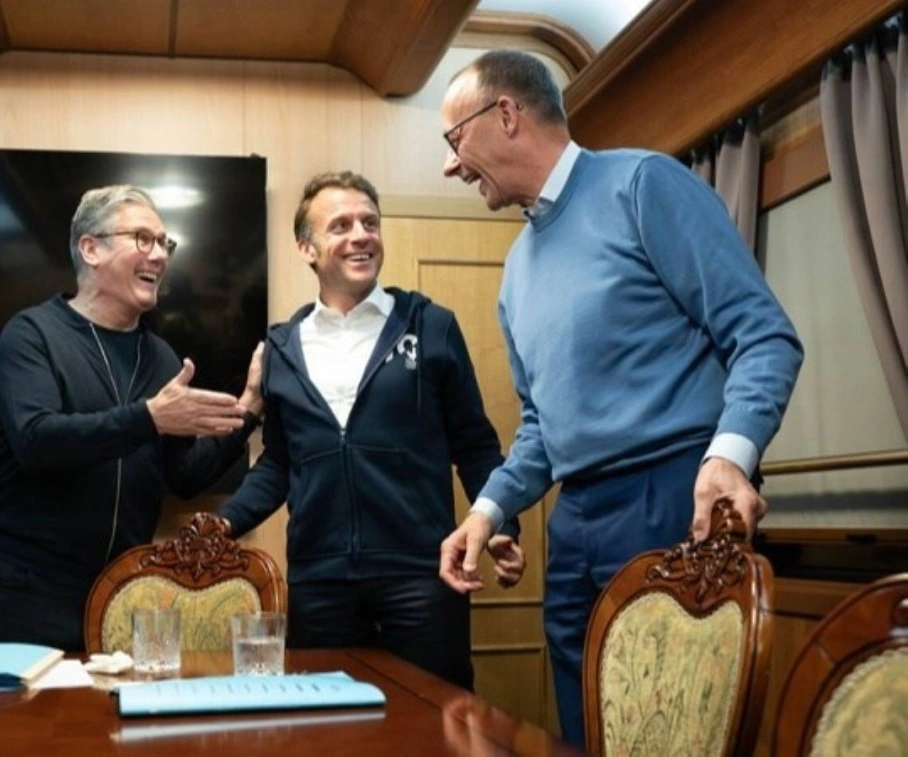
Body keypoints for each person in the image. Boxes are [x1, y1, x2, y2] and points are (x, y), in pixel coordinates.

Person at [435, 50, 804, 745]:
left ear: (506, 114)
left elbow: (764, 335)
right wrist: (487, 511)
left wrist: (729, 457)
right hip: (574, 519)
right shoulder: (515, 271)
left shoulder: (642, 185)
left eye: (455, 140)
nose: (451, 166)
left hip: (673, 495)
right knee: (586, 728)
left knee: (672, 727)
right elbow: (542, 426)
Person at [216, 171, 526, 691]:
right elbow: (280, 463)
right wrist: (223, 524)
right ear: (307, 248)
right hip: (319, 584)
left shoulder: (431, 325)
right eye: (340, 225)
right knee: (330, 724)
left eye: (370, 223)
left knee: (436, 722)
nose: (361, 235)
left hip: (422, 578)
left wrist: (502, 524)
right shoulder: (282, 348)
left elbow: (474, 444)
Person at [0, 185, 264, 652]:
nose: (159, 255)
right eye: (143, 238)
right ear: (91, 248)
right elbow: (36, 440)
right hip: (27, 591)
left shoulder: (161, 356)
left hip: (123, 592)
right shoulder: (32, 335)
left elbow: (184, 476)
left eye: (164, 242)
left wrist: (248, 409)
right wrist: (148, 418)